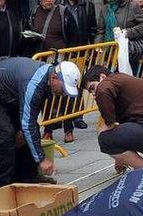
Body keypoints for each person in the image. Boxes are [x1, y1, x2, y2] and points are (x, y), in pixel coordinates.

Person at [0, 57, 81, 186]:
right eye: (63, 89)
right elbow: (27, 125)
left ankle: (27, 176)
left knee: (25, 132)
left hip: (8, 93)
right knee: (6, 135)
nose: (63, 94)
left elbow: (29, 123)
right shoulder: (34, 84)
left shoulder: (48, 77)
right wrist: (41, 159)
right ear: (54, 78)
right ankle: (0, 185)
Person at [32, 0, 76, 144]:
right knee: (44, 95)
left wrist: (72, 59)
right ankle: (48, 130)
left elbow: (74, 36)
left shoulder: (63, 12)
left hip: (61, 59)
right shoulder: (33, 13)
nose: (48, 0)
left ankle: (68, 129)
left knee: (65, 94)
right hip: (41, 61)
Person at [62, 0, 101, 129]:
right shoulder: (60, 6)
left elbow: (93, 28)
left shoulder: (87, 5)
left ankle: (78, 116)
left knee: (77, 83)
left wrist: (93, 47)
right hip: (65, 52)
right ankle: (62, 116)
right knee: (64, 85)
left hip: (82, 52)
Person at [98, 0, 143, 71]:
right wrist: (98, 45)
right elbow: (100, 30)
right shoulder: (104, 9)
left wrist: (126, 33)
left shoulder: (132, 6)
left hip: (129, 52)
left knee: (129, 79)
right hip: (110, 54)